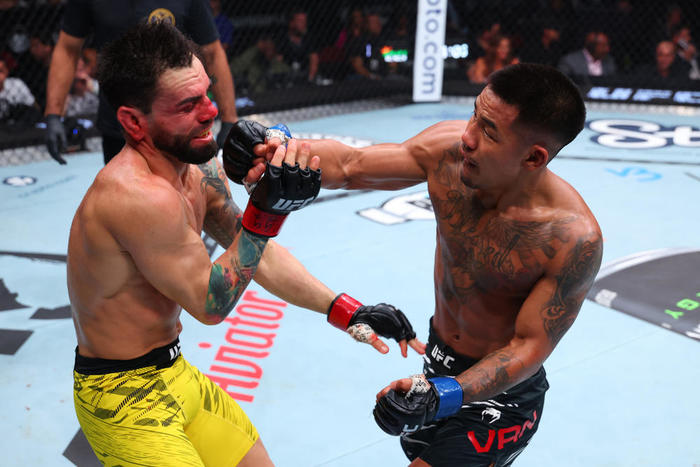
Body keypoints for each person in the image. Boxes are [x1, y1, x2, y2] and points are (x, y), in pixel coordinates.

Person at [68, 22, 423, 466]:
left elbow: (255, 255)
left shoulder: (198, 170)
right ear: (133, 122)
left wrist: (345, 309)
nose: (210, 111)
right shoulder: (136, 196)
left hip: (175, 373)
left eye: (207, 93)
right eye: (188, 105)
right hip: (120, 397)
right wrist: (266, 213)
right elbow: (210, 302)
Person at [228, 63, 603, 466]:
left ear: (533, 157)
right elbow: (353, 165)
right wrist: (281, 152)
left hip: (503, 398)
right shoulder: (448, 153)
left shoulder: (570, 238)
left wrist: (446, 394)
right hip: (435, 365)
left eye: (490, 132)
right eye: (475, 115)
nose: (468, 137)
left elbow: (529, 346)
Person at [44, 0, 239, 165]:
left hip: (181, 125)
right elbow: (68, 49)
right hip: (121, 124)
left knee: (191, 193)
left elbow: (212, 53)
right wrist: (53, 114)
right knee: (126, 195)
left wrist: (229, 119)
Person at [276, 7, 319, 84]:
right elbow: (278, 60)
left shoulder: (309, 38)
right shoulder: (282, 38)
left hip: (304, 73)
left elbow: (314, 58)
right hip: (287, 74)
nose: (304, 24)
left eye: (305, 21)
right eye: (300, 21)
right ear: (291, 23)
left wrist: (310, 78)